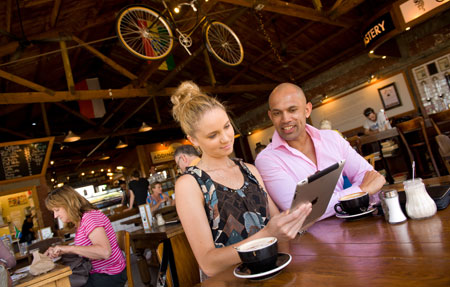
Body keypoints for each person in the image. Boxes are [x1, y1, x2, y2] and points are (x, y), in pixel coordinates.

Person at [171, 81, 312, 277]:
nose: (226, 138)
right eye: (213, 135)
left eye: (227, 127)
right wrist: (269, 234)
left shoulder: (250, 171)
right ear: (193, 140)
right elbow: (209, 264)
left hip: (275, 273)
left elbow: (278, 227)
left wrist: (285, 264)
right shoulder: (190, 184)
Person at [255, 83, 386, 220]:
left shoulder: (332, 138)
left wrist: (362, 190)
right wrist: (362, 190)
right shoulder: (266, 159)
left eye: (292, 110)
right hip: (312, 238)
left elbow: (369, 176)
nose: (285, 119)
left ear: (307, 110)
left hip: (356, 222)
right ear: (271, 116)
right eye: (277, 113)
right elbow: (299, 212)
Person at [44, 186, 126, 287]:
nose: (55, 216)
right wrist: (62, 251)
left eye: (57, 210)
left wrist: (69, 248)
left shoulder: (90, 217)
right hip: (98, 273)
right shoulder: (81, 222)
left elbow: (104, 252)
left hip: (110, 274)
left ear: (68, 204)